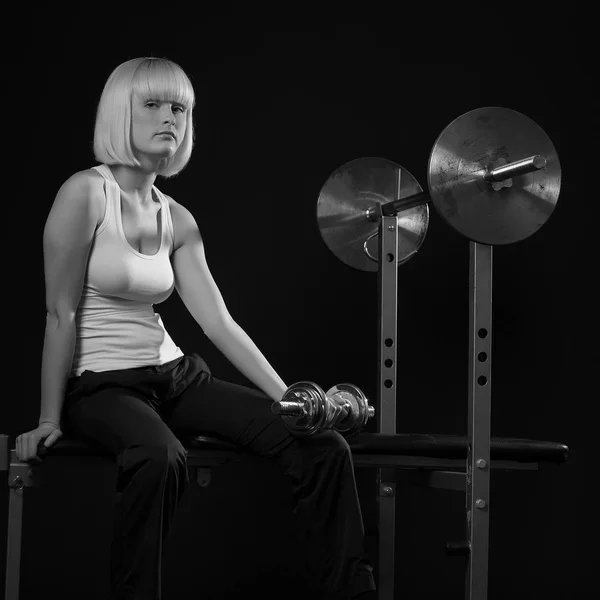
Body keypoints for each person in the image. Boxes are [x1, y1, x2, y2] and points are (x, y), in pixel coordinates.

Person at [15, 57, 376, 600]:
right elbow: (59, 314)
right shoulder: (85, 194)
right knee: (160, 457)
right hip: (101, 384)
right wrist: (48, 416)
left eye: (179, 108)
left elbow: (219, 323)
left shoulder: (177, 217)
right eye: (153, 104)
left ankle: (350, 592)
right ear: (121, 114)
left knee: (322, 447)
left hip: (175, 377)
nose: (170, 119)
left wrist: (293, 404)